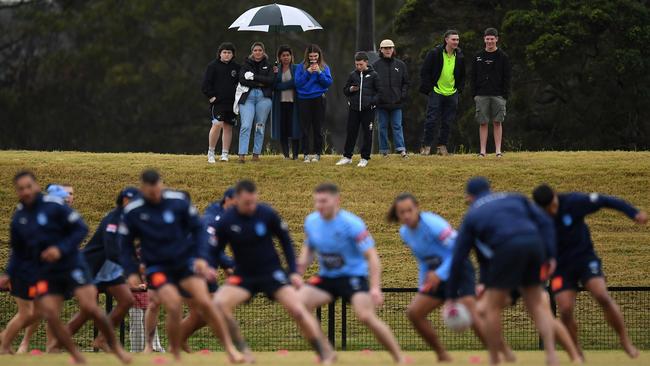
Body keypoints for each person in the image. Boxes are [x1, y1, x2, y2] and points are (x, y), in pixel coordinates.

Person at [119, 169, 243, 362]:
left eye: (157, 189)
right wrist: (131, 271)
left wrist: (202, 257)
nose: (154, 194)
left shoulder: (178, 202)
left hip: (185, 264)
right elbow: (124, 244)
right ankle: (174, 353)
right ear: (143, 189)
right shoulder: (133, 211)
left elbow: (200, 230)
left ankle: (230, 349)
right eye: (149, 191)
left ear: (162, 184)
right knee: (173, 305)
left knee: (206, 304)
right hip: (157, 268)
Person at [8, 170, 131, 364]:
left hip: (74, 265)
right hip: (48, 271)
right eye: (21, 189)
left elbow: (81, 229)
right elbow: (18, 250)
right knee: (50, 314)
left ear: (36, 187)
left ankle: (113, 346)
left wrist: (60, 248)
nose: (25, 191)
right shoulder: (20, 217)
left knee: (90, 306)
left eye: (28, 186)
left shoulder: (55, 206)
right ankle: (71, 353)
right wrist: (9, 274)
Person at [213, 180, 334, 364]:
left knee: (298, 310)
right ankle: (244, 352)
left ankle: (325, 354)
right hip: (244, 275)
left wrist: (293, 271)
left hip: (272, 273)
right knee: (219, 303)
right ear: (236, 200)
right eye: (247, 203)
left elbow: (286, 242)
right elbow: (215, 249)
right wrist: (208, 266)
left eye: (254, 202)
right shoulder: (226, 221)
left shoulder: (267, 213)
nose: (251, 207)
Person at [446, 177, 558, 366]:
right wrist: (552, 255)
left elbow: (458, 258)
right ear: (490, 189)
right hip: (534, 245)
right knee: (537, 304)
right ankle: (552, 356)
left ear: (469, 197)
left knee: (492, 308)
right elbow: (545, 222)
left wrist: (450, 296)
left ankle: (494, 360)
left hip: (505, 250)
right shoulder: (515, 198)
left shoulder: (472, 215)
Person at [532, 184, 647, 359]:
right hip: (561, 267)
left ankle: (625, 341)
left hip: (585, 259)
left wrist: (633, 213)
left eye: (553, 205)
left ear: (556, 196)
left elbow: (606, 200)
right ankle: (577, 351)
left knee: (601, 295)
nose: (552, 210)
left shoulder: (574, 202)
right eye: (548, 209)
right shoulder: (537, 218)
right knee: (565, 309)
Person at [296, 183, 405, 364]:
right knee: (298, 305)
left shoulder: (352, 223)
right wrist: (298, 271)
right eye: (317, 201)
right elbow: (308, 249)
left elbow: (372, 257)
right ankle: (327, 354)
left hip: (353, 277)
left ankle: (399, 357)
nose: (319, 206)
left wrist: (375, 288)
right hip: (327, 277)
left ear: (337, 200)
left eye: (324, 201)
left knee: (365, 316)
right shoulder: (311, 221)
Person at [387, 193, 486, 362]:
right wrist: (422, 287)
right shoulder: (405, 232)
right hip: (435, 276)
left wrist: (440, 274)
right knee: (414, 313)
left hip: (459, 270)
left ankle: (497, 352)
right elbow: (423, 261)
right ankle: (442, 355)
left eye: (409, 210)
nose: (406, 215)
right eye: (401, 212)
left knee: (471, 310)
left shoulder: (433, 223)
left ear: (417, 208)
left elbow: (458, 252)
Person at [63, 188, 139, 351]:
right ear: (125, 201)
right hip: (93, 267)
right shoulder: (113, 219)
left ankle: (102, 339)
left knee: (127, 301)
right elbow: (111, 250)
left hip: (110, 269)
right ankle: (57, 342)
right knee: (87, 310)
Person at [178, 188, 237, 352]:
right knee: (209, 310)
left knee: (201, 315)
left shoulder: (225, 217)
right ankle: (231, 348)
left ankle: (177, 341)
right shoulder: (212, 218)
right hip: (193, 270)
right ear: (228, 199)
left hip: (206, 269)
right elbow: (210, 245)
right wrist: (228, 264)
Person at [419, 30, 466, 156]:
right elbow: (425, 71)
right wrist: (430, 89)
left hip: (452, 93)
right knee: (431, 120)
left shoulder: (460, 56)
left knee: (447, 121)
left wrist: (458, 89)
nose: (456, 42)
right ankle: (426, 146)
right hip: (436, 91)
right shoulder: (434, 53)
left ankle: (442, 146)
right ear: (446, 40)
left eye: (457, 39)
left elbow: (462, 75)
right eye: (453, 39)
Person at [471, 28, 511, 158]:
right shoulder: (478, 56)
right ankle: (482, 151)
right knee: (483, 122)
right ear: (484, 39)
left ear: (496, 39)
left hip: (498, 94)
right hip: (481, 94)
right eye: (487, 39)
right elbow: (473, 76)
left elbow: (507, 77)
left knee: (497, 122)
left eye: (492, 39)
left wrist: (504, 95)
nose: (489, 41)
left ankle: (498, 151)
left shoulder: (503, 57)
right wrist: (474, 94)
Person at [336, 52, 380, 168]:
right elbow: (345, 90)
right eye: (356, 64)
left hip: (368, 110)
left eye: (360, 64)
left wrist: (371, 102)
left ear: (366, 62)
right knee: (351, 133)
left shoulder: (374, 75)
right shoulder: (352, 75)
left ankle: (364, 158)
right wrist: (350, 89)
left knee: (367, 134)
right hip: (354, 109)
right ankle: (347, 157)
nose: (358, 67)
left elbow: (379, 92)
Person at [202, 42, 240, 163]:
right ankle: (211, 153)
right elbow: (205, 84)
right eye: (224, 52)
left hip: (232, 103)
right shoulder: (212, 66)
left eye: (229, 52)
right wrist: (211, 97)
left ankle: (225, 154)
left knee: (228, 127)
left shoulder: (236, 67)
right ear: (220, 54)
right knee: (217, 124)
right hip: (218, 103)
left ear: (233, 54)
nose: (227, 54)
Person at [295, 44, 333, 163]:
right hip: (303, 99)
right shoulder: (301, 67)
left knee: (318, 127)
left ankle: (317, 153)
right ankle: (306, 154)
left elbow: (328, 83)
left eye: (315, 56)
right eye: (310, 56)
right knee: (305, 127)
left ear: (319, 55)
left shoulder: (324, 67)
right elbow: (298, 83)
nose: (313, 58)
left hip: (318, 99)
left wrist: (319, 73)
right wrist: (308, 72)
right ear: (307, 56)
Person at [237, 42, 274, 164]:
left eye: (260, 50)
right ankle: (242, 154)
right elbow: (242, 80)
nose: (257, 52)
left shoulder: (269, 66)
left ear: (263, 52)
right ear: (252, 52)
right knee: (246, 126)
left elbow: (270, 81)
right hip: (248, 97)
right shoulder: (246, 64)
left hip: (264, 98)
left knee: (259, 126)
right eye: (255, 50)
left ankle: (256, 154)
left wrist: (254, 78)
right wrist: (259, 82)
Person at [373, 39, 409, 158]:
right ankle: (384, 151)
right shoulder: (376, 66)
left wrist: (402, 96)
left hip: (396, 102)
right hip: (381, 104)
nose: (388, 50)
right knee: (382, 127)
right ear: (381, 50)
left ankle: (401, 150)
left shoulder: (400, 65)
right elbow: (372, 84)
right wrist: (377, 98)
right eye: (385, 48)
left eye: (390, 48)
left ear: (393, 49)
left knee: (397, 126)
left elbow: (405, 83)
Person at [271, 45, 301, 160]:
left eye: (288, 55)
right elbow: (273, 85)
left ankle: (296, 155)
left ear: (291, 56)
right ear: (279, 57)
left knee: (295, 128)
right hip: (280, 103)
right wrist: (275, 75)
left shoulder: (297, 68)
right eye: (283, 55)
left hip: (294, 103)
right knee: (283, 129)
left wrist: (281, 86)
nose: (286, 57)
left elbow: (296, 82)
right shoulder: (276, 69)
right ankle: (286, 155)